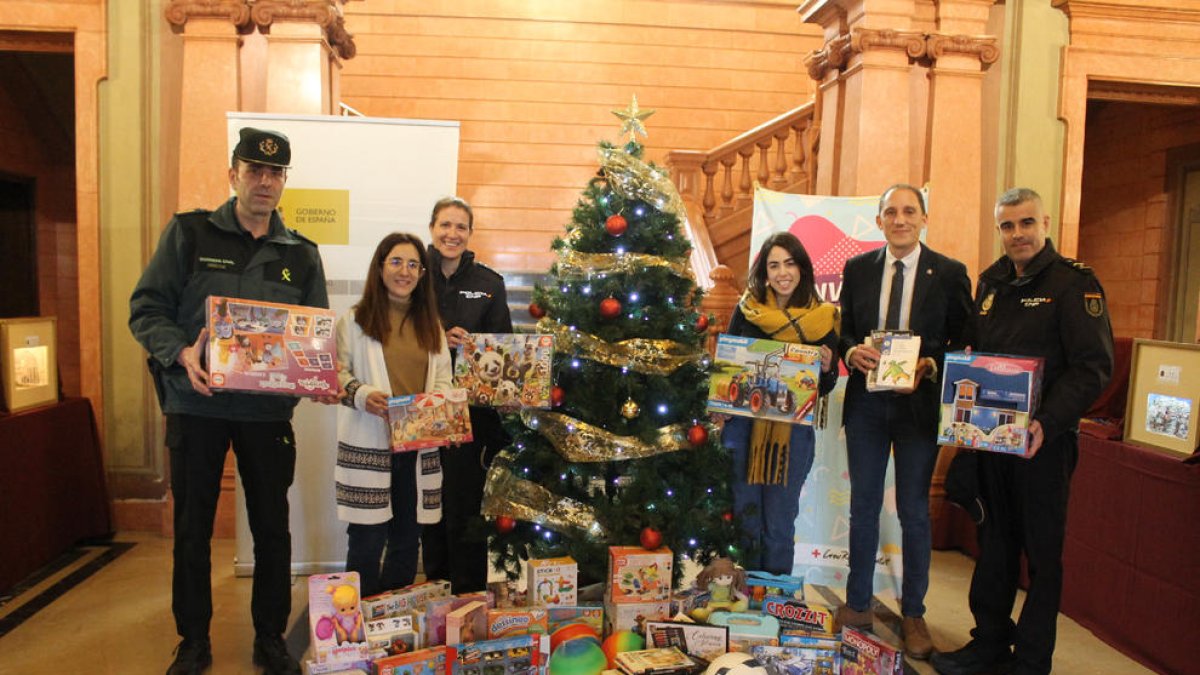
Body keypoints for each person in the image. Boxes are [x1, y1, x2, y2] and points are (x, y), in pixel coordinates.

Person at [129, 128, 328, 675]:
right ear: (233, 173)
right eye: (253, 170)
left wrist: (320, 375)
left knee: (272, 527)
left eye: (275, 173)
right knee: (192, 529)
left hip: (266, 415)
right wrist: (178, 354)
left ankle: (269, 637)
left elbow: (314, 338)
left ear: (284, 181)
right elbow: (147, 308)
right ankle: (193, 640)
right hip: (196, 407)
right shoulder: (190, 233)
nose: (264, 181)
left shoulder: (301, 255)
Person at [932, 188, 1113, 675]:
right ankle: (987, 644)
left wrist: (1045, 424)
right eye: (1008, 226)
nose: (1017, 234)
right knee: (994, 546)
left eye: (1026, 223)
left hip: (1043, 446)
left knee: (1042, 556)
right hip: (991, 441)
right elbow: (974, 352)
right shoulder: (991, 282)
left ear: (1045, 223)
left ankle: (1031, 661)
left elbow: (1093, 368)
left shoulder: (1074, 284)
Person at [836, 184, 973, 659]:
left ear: (924, 218)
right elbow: (844, 330)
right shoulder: (857, 270)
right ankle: (856, 605)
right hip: (868, 407)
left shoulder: (951, 273)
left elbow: (963, 340)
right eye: (891, 212)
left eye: (909, 211)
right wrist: (851, 351)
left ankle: (913, 612)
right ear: (879, 221)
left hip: (918, 408)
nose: (900, 219)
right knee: (863, 507)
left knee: (914, 511)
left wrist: (929, 365)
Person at [334, 232, 452, 598]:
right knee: (367, 540)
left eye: (414, 264)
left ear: (422, 274)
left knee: (406, 539)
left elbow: (445, 378)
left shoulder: (431, 325)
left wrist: (441, 402)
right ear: (380, 267)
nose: (405, 271)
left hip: (417, 450)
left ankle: (394, 626)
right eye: (397, 262)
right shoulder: (354, 321)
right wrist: (362, 394)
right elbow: (337, 373)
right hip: (370, 445)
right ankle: (360, 624)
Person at [721, 232, 840, 574]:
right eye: (773, 265)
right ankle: (744, 596)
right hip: (743, 429)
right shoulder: (747, 310)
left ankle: (774, 599)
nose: (782, 272)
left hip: (792, 434)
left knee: (779, 522)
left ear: (802, 268)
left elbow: (825, 387)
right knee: (745, 517)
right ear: (764, 271)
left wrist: (828, 369)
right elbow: (730, 366)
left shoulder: (823, 318)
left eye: (789, 263)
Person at [419, 196, 513, 593]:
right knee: (427, 507)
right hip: (420, 407)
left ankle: (468, 596)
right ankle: (435, 590)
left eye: (460, 227)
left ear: (469, 233)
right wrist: (438, 338)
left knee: (464, 508)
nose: (451, 234)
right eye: (445, 225)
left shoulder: (489, 283)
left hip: (471, 415)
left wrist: (473, 346)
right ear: (432, 228)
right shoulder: (411, 274)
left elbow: (504, 349)